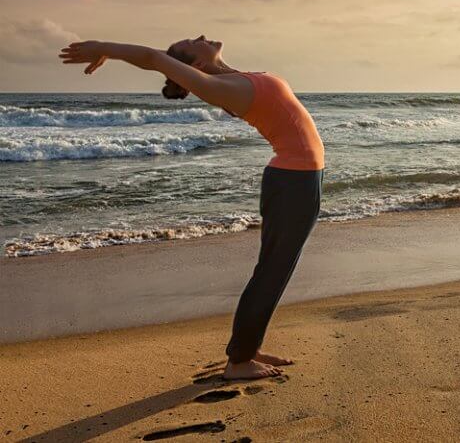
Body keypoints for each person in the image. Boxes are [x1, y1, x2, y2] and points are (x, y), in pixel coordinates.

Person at [59, 35, 325, 380]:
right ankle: (239, 361)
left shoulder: (231, 79)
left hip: (298, 179)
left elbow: (159, 60)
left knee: (273, 270)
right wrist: (107, 49)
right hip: (293, 182)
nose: (200, 36)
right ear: (196, 65)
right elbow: (154, 58)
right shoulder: (216, 86)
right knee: (274, 271)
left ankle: (247, 349)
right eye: (191, 41)